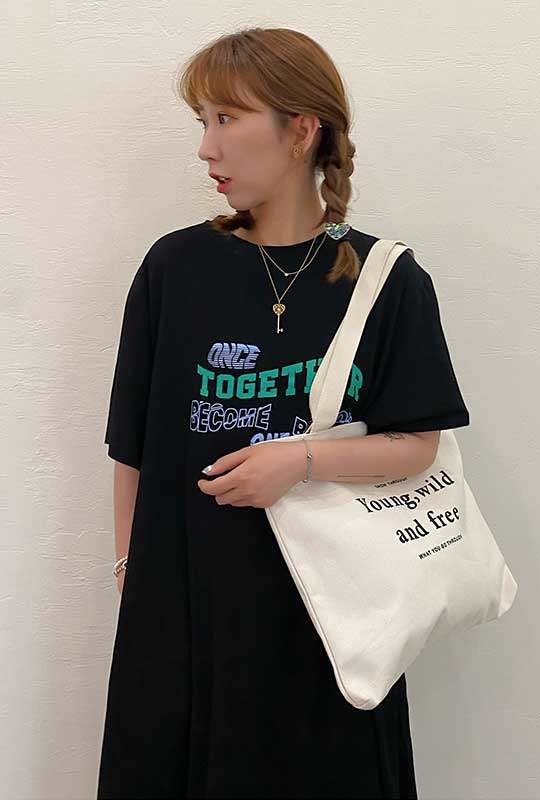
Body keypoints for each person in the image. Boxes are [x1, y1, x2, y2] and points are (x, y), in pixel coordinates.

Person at [97, 26, 470, 799]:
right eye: (203, 122)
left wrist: (297, 460)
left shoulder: (386, 280)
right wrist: (134, 573)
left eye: (227, 119)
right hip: (186, 615)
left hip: (329, 619)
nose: (207, 148)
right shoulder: (175, 267)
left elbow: (419, 443)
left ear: (301, 131)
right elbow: (132, 443)